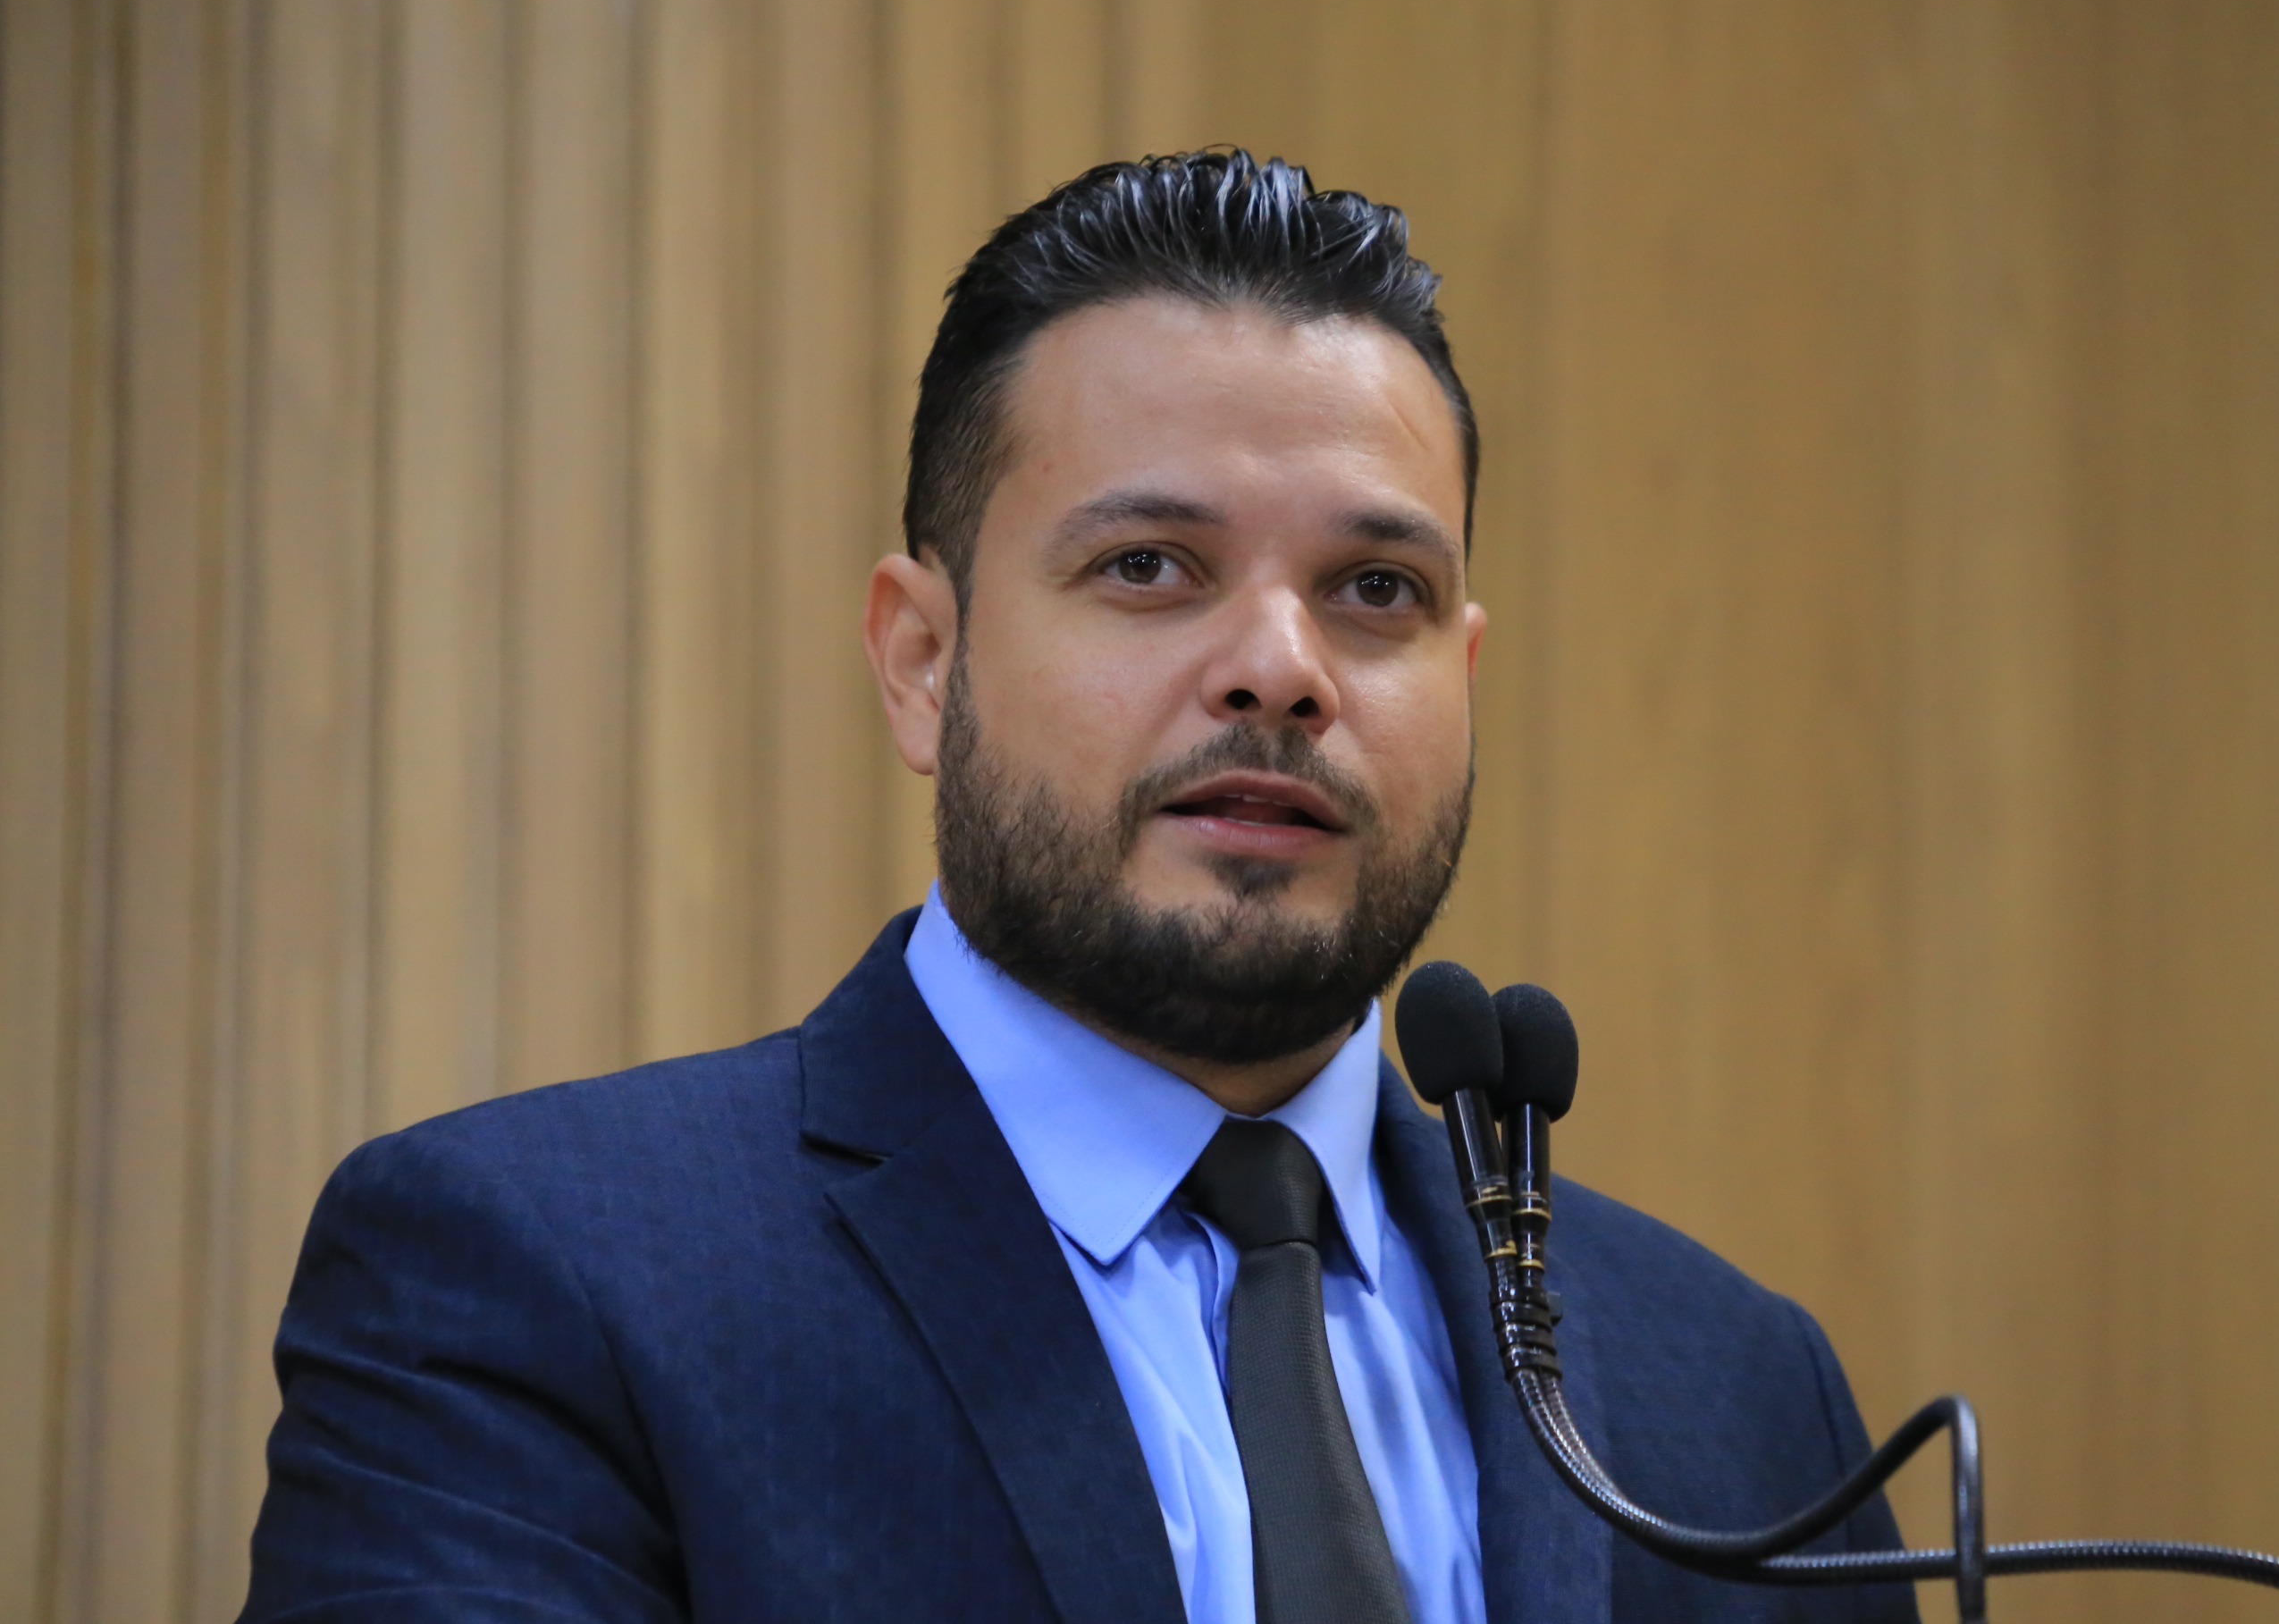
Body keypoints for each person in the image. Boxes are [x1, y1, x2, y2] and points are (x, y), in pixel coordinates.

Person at [240, 150, 1913, 1624]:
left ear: (1465, 675)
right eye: (1150, 567)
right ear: (923, 659)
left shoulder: (1738, 1396)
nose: (1282, 667)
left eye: (1375, 590)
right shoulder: (541, 1282)